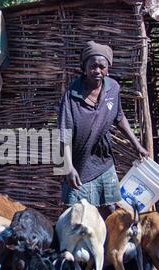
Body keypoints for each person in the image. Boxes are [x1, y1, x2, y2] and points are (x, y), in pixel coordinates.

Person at [58, 41, 149, 219]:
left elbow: (119, 117)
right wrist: (68, 167)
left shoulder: (112, 88)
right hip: (78, 163)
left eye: (102, 66)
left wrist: (136, 145)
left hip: (103, 160)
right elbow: (63, 135)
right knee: (74, 214)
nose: (97, 71)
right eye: (92, 66)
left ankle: (110, 245)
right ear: (84, 67)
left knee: (111, 209)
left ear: (108, 68)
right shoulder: (71, 95)